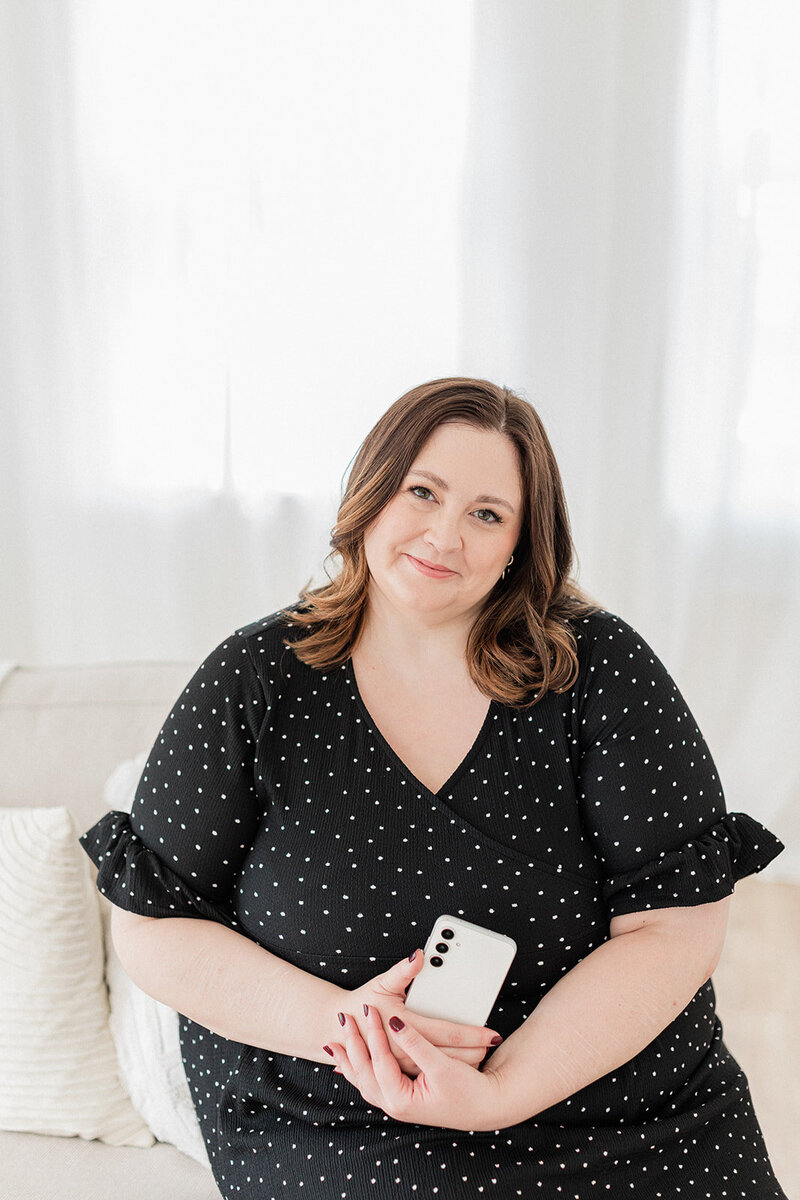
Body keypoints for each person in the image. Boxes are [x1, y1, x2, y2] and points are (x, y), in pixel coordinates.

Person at [81, 377, 787, 1199]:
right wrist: (353, 1029)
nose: (444, 535)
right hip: (338, 1103)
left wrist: (499, 1093)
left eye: (487, 514)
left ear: (523, 543)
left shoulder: (600, 669)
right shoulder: (256, 677)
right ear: (373, 491)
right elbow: (155, 926)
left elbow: (674, 930)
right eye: (423, 491)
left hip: (611, 1102)